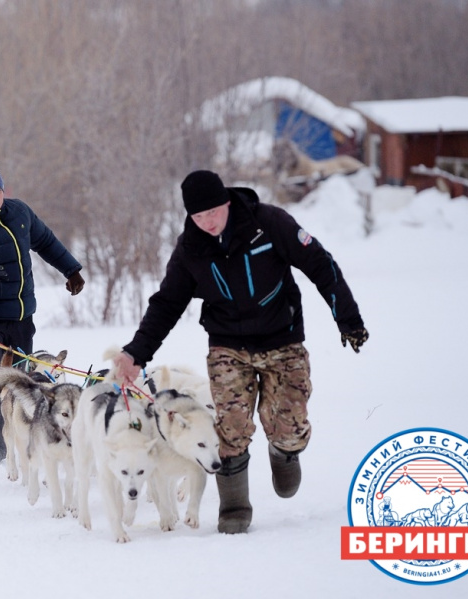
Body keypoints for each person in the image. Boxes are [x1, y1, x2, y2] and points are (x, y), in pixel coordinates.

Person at [111, 169, 368, 534]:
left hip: (282, 338)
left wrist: (348, 318)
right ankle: (234, 507)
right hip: (228, 344)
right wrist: (135, 354)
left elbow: (320, 264)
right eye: (198, 216)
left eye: (213, 212)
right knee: (230, 426)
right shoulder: (190, 248)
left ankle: (284, 450)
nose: (207, 222)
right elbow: (166, 304)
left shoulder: (269, 223)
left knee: (290, 424)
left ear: (227, 202)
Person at [0, 164, 85, 466]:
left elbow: (46, 242)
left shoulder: (19, 212)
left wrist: (71, 269)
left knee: (21, 381)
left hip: (22, 314)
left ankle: (24, 438)